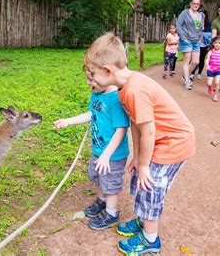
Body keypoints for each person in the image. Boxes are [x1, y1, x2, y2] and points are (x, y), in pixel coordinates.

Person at [84, 33, 195, 255]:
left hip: (172, 144)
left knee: (150, 188)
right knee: (139, 182)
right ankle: (144, 222)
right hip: (158, 141)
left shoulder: (134, 90)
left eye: (94, 75)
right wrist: (137, 158)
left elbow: (149, 131)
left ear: (108, 70)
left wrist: (144, 165)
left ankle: (150, 240)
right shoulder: (124, 88)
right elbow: (136, 124)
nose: (91, 81)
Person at [53, 67, 130, 231]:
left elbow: (121, 129)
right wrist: (68, 121)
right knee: (99, 177)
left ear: (107, 75)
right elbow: (91, 114)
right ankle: (103, 200)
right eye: (88, 78)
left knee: (111, 183)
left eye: (93, 79)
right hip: (99, 151)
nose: (89, 83)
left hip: (112, 155)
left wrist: (107, 155)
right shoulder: (96, 94)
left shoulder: (115, 98)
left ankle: (111, 213)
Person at [176, 0, 205, 90]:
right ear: (191, 3)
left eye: (198, 4)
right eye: (194, 3)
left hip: (196, 41)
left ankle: (186, 75)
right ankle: (187, 82)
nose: (196, 5)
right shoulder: (185, 13)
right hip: (187, 40)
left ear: (199, 5)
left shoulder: (201, 15)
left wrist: (200, 37)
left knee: (196, 62)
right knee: (186, 61)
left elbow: (201, 28)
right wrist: (183, 38)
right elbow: (178, 25)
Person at [190, 10, 212, 80]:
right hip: (197, 43)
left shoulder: (209, 23)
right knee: (195, 59)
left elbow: (210, 35)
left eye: (203, 15)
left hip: (205, 44)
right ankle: (192, 73)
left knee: (202, 59)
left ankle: (199, 73)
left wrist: (202, 34)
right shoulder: (196, 23)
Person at [205, 36, 220, 102]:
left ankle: (215, 95)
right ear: (213, 44)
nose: (217, 44)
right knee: (209, 83)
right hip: (211, 69)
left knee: (217, 82)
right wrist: (207, 65)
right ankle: (210, 87)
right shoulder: (210, 52)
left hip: (219, 69)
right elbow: (207, 59)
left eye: (219, 43)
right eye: (215, 42)